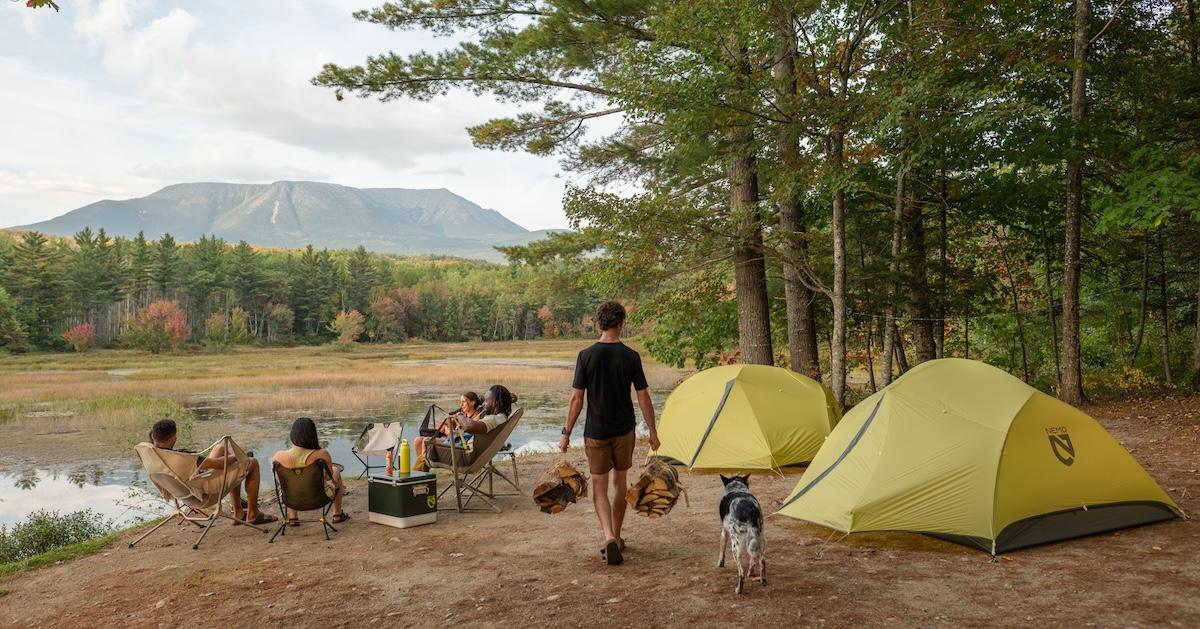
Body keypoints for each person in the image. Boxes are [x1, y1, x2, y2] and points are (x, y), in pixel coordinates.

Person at [559, 301, 659, 566]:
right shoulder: (630, 356)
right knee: (620, 483)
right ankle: (616, 535)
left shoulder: (586, 356)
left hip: (596, 431)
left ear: (599, 323)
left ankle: (607, 536)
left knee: (599, 488)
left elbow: (576, 400)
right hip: (624, 430)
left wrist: (566, 433)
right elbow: (643, 397)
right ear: (621, 324)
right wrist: (653, 431)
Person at [148, 418, 277, 525]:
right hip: (200, 495)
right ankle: (253, 514)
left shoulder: (152, 453)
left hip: (186, 487)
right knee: (251, 462)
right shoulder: (183, 457)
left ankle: (238, 511)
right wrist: (240, 456)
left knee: (220, 448)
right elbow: (220, 464)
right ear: (173, 439)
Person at [270, 417, 350, 525]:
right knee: (335, 471)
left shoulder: (278, 456)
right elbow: (328, 478)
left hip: (290, 499)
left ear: (293, 434)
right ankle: (337, 514)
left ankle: (293, 518)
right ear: (312, 434)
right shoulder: (321, 454)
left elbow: (280, 481)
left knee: (289, 483)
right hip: (319, 498)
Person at [414, 391, 482, 464]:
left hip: (458, 446)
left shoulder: (476, 419)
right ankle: (422, 469)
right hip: (450, 439)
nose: (461, 405)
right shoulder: (462, 414)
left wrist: (450, 433)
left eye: (464, 402)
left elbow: (466, 437)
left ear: (472, 402)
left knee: (426, 441)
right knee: (418, 440)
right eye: (460, 402)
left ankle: (421, 469)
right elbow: (446, 424)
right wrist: (446, 426)